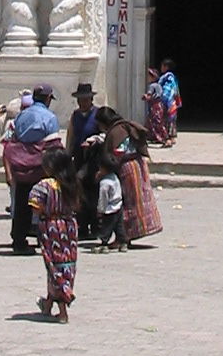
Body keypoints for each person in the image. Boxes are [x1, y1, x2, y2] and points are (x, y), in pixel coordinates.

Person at [92, 107, 162, 244]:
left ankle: (123, 237)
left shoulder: (117, 131)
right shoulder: (123, 127)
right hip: (137, 165)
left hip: (127, 168)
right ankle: (127, 236)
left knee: (127, 202)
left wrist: (104, 170)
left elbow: (119, 153)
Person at [5, 85, 61, 253]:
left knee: (22, 201)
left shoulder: (22, 115)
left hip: (21, 166)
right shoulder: (50, 117)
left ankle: (19, 239)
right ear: (48, 98)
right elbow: (53, 144)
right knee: (44, 202)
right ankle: (43, 237)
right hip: (41, 166)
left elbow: (13, 137)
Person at [28, 147, 80, 322]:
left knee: (54, 267)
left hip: (50, 228)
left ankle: (63, 310)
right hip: (69, 228)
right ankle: (48, 305)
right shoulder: (72, 184)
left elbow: (35, 206)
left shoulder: (43, 186)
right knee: (65, 265)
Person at [66, 83, 101, 238]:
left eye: (85, 100)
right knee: (79, 192)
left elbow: (105, 134)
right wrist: (68, 156)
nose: (82, 103)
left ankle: (95, 226)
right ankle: (82, 226)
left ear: (91, 99)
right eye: (80, 100)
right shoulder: (75, 115)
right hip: (79, 156)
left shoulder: (98, 114)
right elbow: (71, 136)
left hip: (93, 157)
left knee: (93, 193)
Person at [95, 149, 126, 251]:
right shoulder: (115, 177)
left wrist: (100, 210)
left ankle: (104, 244)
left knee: (106, 227)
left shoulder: (104, 183)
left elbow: (103, 198)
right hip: (119, 206)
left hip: (110, 208)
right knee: (119, 226)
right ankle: (122, 243)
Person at [157, 59, 182, 146]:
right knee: (172, 120)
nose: (161, 68)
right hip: (173, 102)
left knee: (165, 120)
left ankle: (167, 139)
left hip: (168, 102)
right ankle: (172, 138)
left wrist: (162, 99)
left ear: (166, 67)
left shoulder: (167, 77)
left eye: (162, 66)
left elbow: (167, 90)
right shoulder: (172, 77)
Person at [142, 66, 166, 145]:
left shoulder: (152, 86)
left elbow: (149, 95)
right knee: (156, 121)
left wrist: (145, 97)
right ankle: (156, 137)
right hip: (159, 105)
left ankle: (164, 138)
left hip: (154, 106)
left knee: (155, 122)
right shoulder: (158, 85)